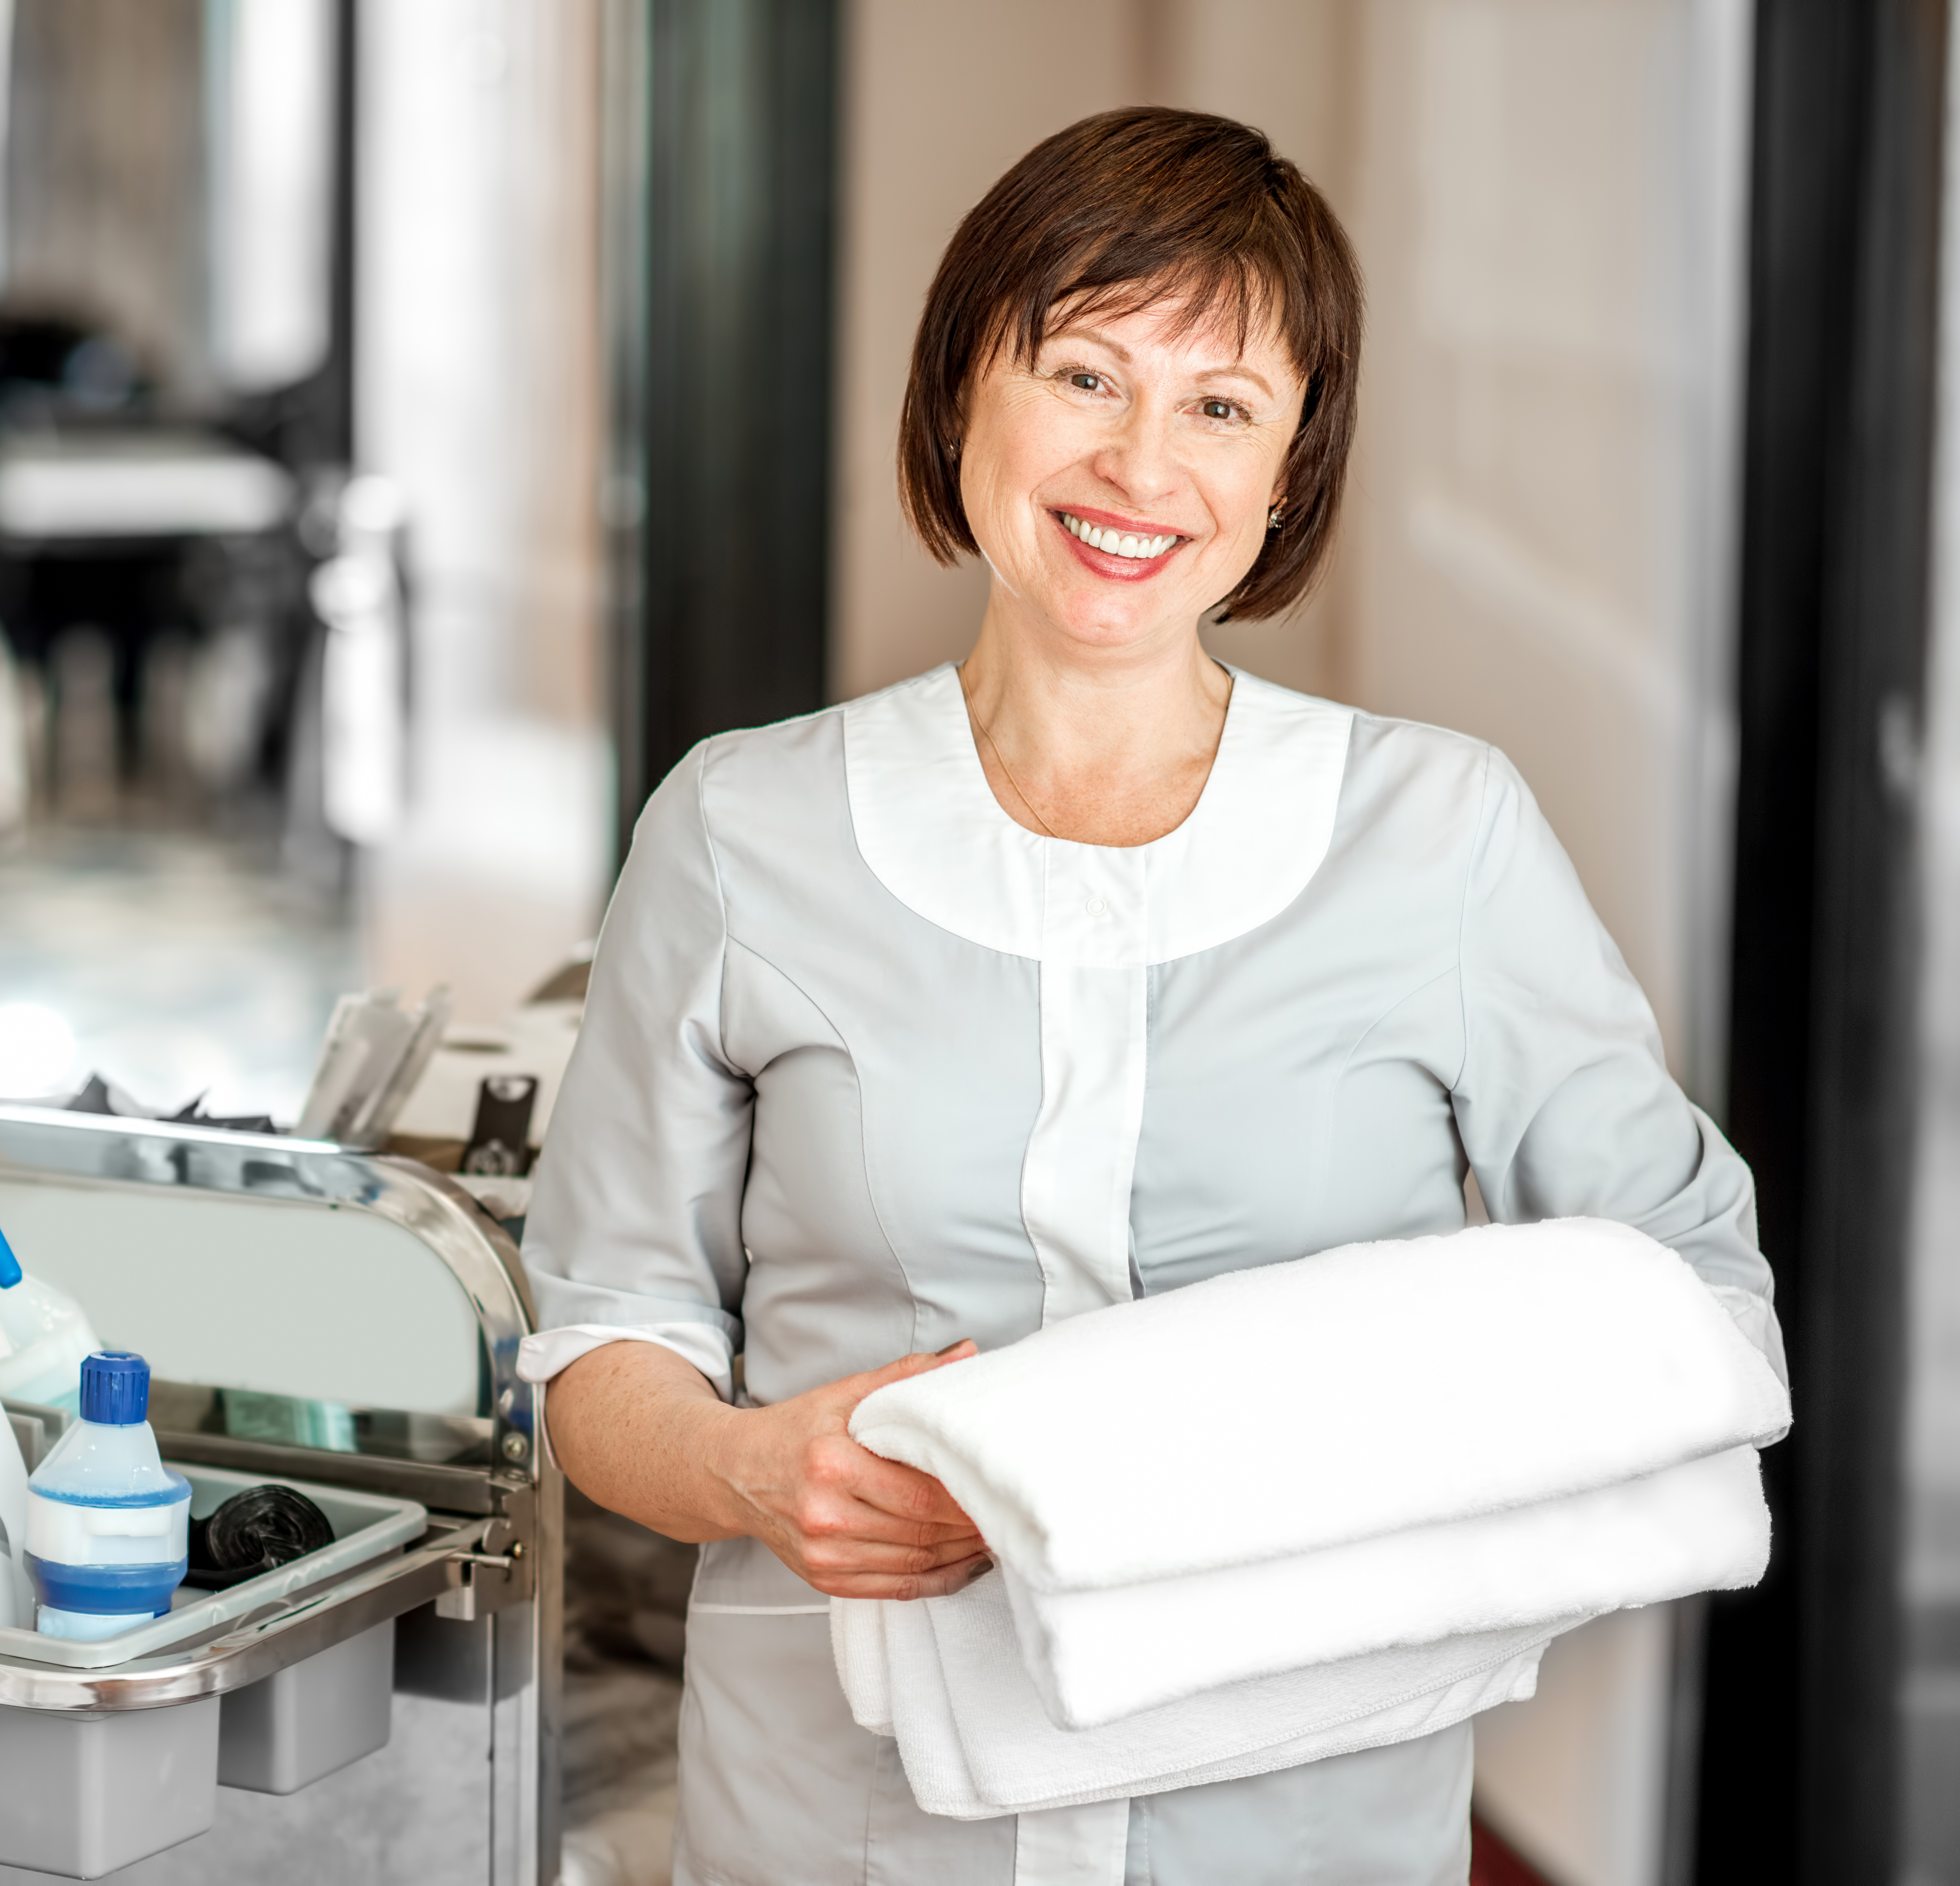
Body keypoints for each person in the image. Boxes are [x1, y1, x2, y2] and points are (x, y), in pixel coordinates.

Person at [516, 107, 1781, 1885]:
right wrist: (746, 1470)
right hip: (842, 1815)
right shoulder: (742, 828)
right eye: (1086, 375)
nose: (1140, 465)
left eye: (1222, 407)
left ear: (1289, 475)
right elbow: (599, 1334)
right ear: (965, 390)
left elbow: (1686, 1293)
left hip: (1304, 1826)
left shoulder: (1443, 837)